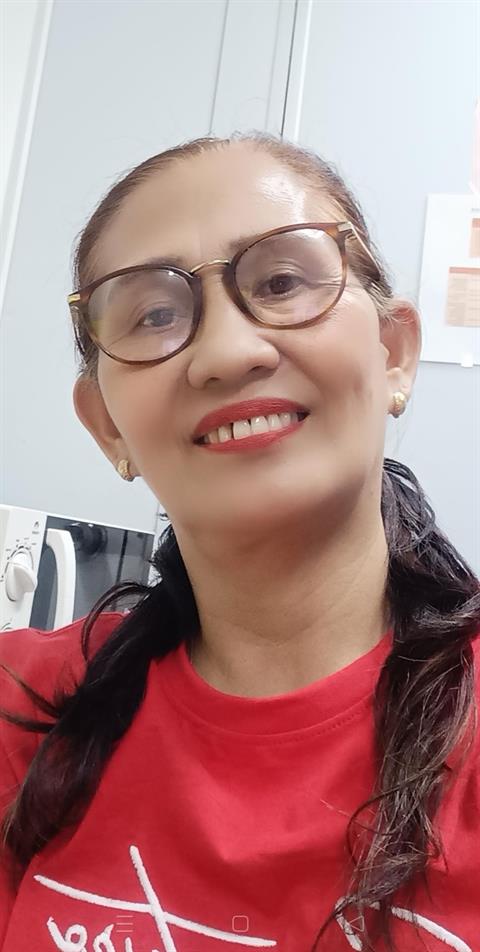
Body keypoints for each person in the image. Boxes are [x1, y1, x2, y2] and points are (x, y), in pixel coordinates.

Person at [0, 131, 479, 952]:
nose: (225, 353)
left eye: (283, 282)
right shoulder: (21, 708)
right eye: (154, 314)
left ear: (394, 353)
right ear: (106, 425)